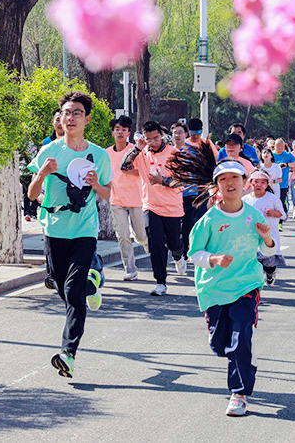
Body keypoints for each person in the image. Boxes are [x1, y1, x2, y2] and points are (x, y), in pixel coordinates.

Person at [27, 91, 111, 378]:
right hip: (54, 229)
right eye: (66, 112)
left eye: (77, 112)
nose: (71, 117)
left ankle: (68, 353)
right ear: (60, 118)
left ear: (86, 118)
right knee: (63, 290)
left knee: (72, 293)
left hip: (84, 229)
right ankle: (92, 284)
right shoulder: (49, 151)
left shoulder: (99, 155)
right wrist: (42, 174)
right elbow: (31, 194)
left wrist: (96, 184)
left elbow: (108, 193)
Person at [184, 158, 276, 417]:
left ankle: (239, 394)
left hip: (247, 284)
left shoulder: (253, 214)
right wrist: (212, 259)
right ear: (217, 186)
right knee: (220, 344)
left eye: (234, 178)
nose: (229, 183)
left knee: (241, 335)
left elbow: (270, 248)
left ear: (244, 183)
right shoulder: (209, 219)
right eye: (223, 179)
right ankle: (246, 360)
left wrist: (267, 236)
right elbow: (195, 253)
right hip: (214, 289)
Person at [121, 120, 184, 296]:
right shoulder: (142, 153)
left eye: (155, 138)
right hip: (150, 205)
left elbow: (183, 181)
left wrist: (163, 181)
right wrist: (137, 149)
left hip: (172, 208)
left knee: (174, 244)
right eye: (148, 139)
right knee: (156, 244)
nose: (152, 142)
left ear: (161, 135)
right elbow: (124, 167)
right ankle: (161, 282)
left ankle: (178, 256)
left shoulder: (174, 154)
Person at [106, 116, 148, 281]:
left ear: (129, 133)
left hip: (136, 199)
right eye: (117, 129)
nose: (120, 132)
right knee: (123, 235)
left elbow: (145, 171)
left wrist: (132, 171)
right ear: (113, 133)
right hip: (116, 200)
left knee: (140, 236)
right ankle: (130, 269)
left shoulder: (136, 151)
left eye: (123, 130)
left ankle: (146, 243)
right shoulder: (107, 153)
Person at [180, 118, 216, 256]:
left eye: (198, 132)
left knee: (201, 219)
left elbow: (214, 163)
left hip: (202, 190)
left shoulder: (207, 144)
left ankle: (199, 247)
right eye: (193, 132)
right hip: (187, 190)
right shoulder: (184, 145)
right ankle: (185, 249)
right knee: (187, 221)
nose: (195, 135)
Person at [243, 170, 287, 285]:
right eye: (256, 181)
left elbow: (283, 214)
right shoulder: (245, 200)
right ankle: (254, 283)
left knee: (269, 262)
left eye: (262, 182)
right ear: (250, 183)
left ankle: (270, 273)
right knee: (254, 262)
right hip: (251, 236)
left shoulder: (272, 198)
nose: (258, 185)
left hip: (270, 235)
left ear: (267, 185)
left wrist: (273, 213)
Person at [272, 138, 295, 215]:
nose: (279, 150)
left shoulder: (288, 155)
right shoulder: (271, 155)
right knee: (273, 203)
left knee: (281, 202)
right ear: (274, 147)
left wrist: (287, 165)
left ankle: (281, 219)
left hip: (283, 184)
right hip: (272, 184)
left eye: (281, 148)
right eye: (278, 147)